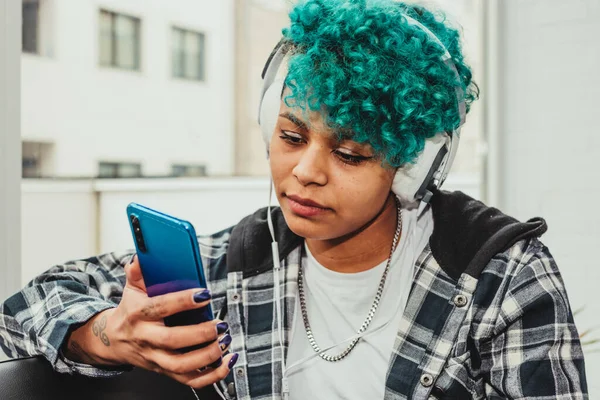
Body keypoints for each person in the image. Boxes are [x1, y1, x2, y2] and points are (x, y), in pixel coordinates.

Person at [0, 0, 588, 399]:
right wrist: (107, 335)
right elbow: (23, 312)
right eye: (290, 136)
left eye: (351, 154)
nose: (304, 173)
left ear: (412, 167)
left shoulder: (503, 279)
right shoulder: (240, 263)